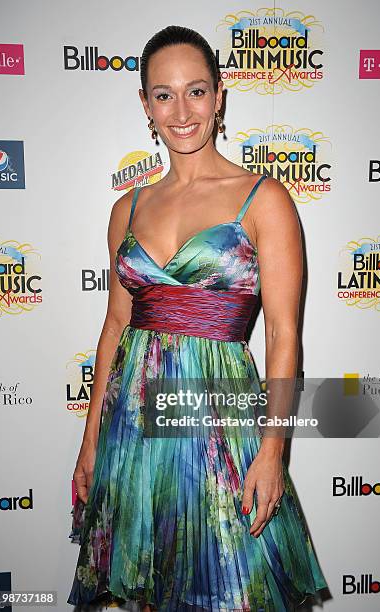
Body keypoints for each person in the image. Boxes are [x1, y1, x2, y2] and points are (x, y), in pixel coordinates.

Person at [67, 25, 328, 611]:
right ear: (145, 104)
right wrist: (89, 447)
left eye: (196, 91)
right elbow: (114, 328)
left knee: (232, 591)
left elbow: (285, 334)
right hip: (132, 427)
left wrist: (273, 449)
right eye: (163, 94)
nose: (181, 110)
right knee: (152, 590)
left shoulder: (263, 199)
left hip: (217, 422)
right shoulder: (126, 208)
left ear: (219, 96)